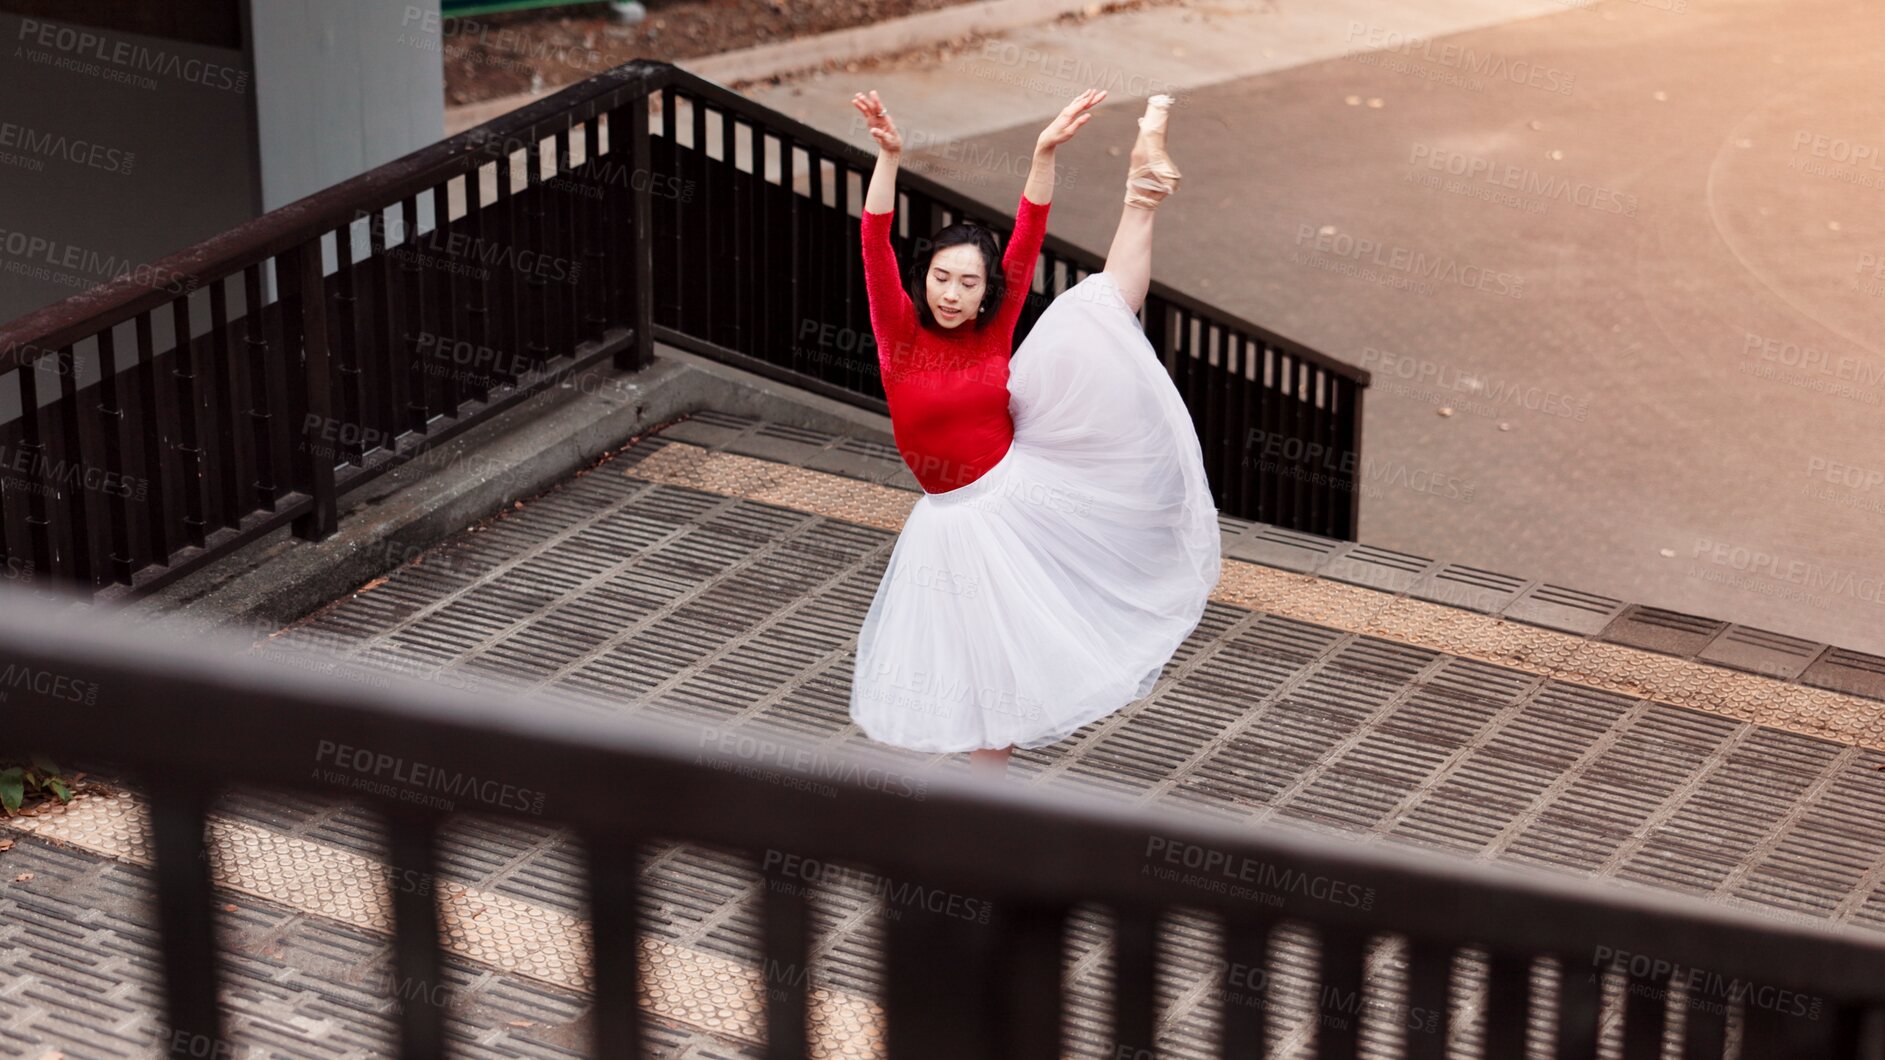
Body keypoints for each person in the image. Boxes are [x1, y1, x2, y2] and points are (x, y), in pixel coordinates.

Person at [846, 86, 1220, 777]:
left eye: (966, 283)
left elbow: (1027, 230)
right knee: (969, 672)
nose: (951, 293)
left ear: (986, 291)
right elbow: (872, 239)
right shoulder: (897, 335)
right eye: (940, 278)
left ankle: (1142, 194)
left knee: (1096, 314)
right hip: (946, 523)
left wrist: (1044, 151)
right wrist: (889, 156)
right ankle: (1142, 192)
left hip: (1012, 501)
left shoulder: (992, 330)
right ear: (923, 278)